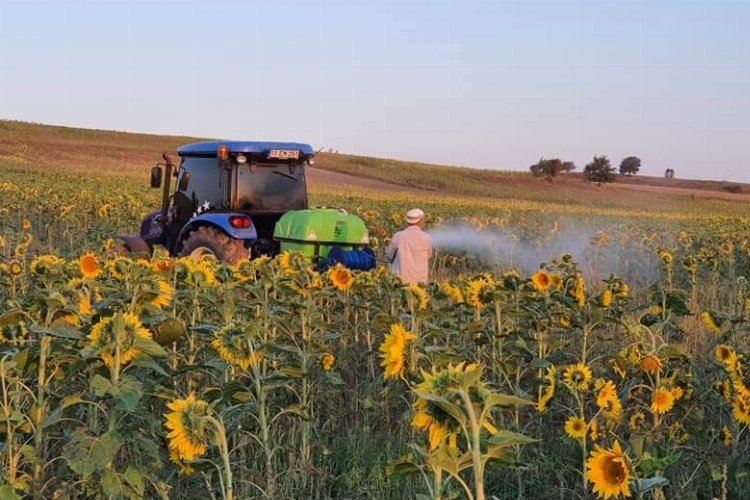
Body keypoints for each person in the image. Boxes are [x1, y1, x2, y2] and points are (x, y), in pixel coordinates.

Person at [385, 208, 433, 283]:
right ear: (420, 221)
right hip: (421, 283)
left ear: (407, 222)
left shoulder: (398, 236)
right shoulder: (427, 237)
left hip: (401, 281)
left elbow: (389, 255)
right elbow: (429, 256)